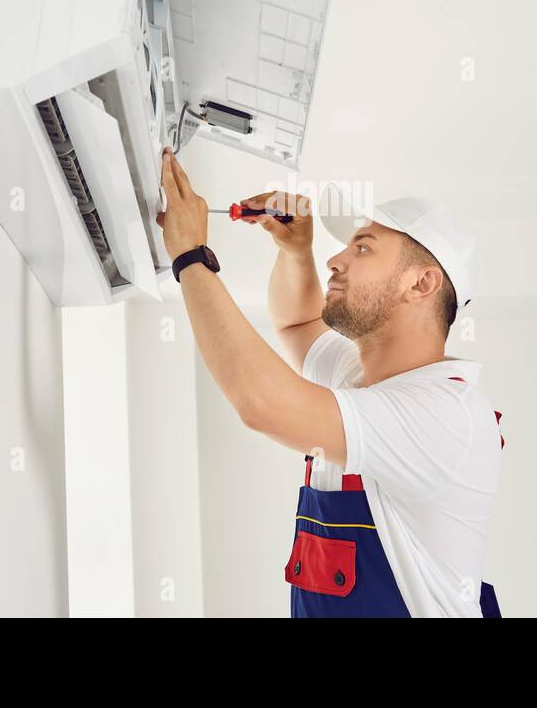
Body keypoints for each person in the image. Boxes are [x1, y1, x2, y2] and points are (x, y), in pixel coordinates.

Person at [156, 146, 502, 617]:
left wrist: (191, 257)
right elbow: (299, 325)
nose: (335, 259)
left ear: (421, 284)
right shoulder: (361, 376)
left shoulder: (445, 413)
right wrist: (296, 252)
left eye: (362, 247)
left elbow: (262, 404)